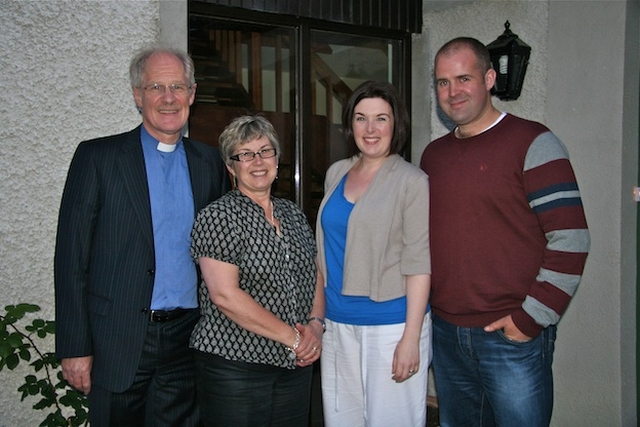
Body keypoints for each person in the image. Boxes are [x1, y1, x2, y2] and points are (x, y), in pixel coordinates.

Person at [54, 47, 230, 426]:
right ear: (137, 95)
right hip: (117, 339)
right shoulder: (97, 158)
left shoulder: (209, 162)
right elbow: (71, 259)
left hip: (187, 341)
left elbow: (222, 256)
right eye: (155, 86)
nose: (168, 98)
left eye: (177, 87)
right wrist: (74, 347)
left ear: (192, 94)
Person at [420, 37, 590, 427]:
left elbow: (572, 239)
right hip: (446, 335)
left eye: (464, 78)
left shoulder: (533, 142)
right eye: (443, 82)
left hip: (509, 335)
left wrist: (530, 319)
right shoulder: (433, 156)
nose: (452, 91)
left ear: (490, 78)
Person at [189, 114, 325, 427]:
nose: (258, 161)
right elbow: (225, 295)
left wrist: (315, 327)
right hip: (236, 368)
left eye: (265, 151)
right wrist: (294, 338)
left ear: (277, 159)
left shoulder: (292, 213)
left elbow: (313, 273)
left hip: (295, 365)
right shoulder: (218, 217)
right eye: (245, 154)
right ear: (230, 166)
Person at [316, 80, 432, 427]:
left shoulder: (413, 180)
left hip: (391, 327)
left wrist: (411, 338)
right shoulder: (337, 173)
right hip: (337, 326)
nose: (370, 129)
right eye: (361, 118)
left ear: (396, 125)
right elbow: (324, 254)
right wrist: (317, 318)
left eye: (381, 118)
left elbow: (418, 261)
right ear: (349, 124)